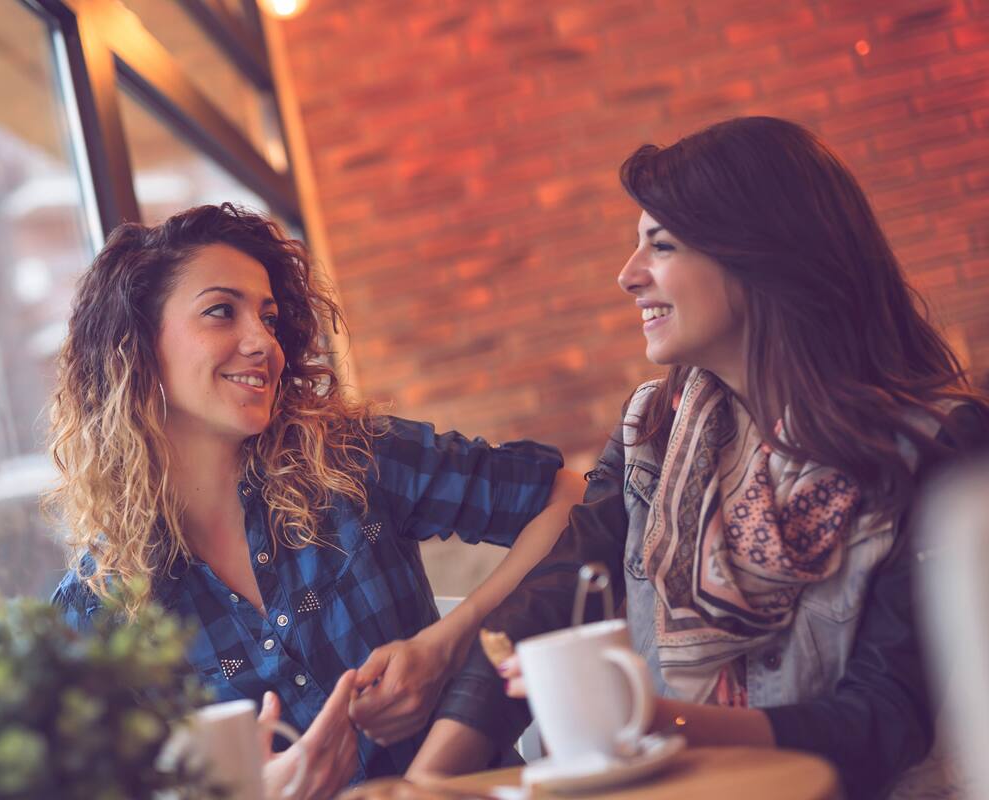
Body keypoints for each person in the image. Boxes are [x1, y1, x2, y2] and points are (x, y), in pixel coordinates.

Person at [407, 117, 989, 799]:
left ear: (760, 256)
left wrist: (660, 721)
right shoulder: (650, 434)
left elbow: (885, 721)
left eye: (661, 245)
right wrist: (424, 783)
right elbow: (548, 604)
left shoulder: (937, 445)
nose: (627, 276)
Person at [46, 203, 584, 795]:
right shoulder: (96, 612)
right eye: (221, 312)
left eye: (269, 318)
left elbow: (569, 500)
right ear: (138, 349)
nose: (262, 343)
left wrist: (449, 647)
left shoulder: (352, 461)